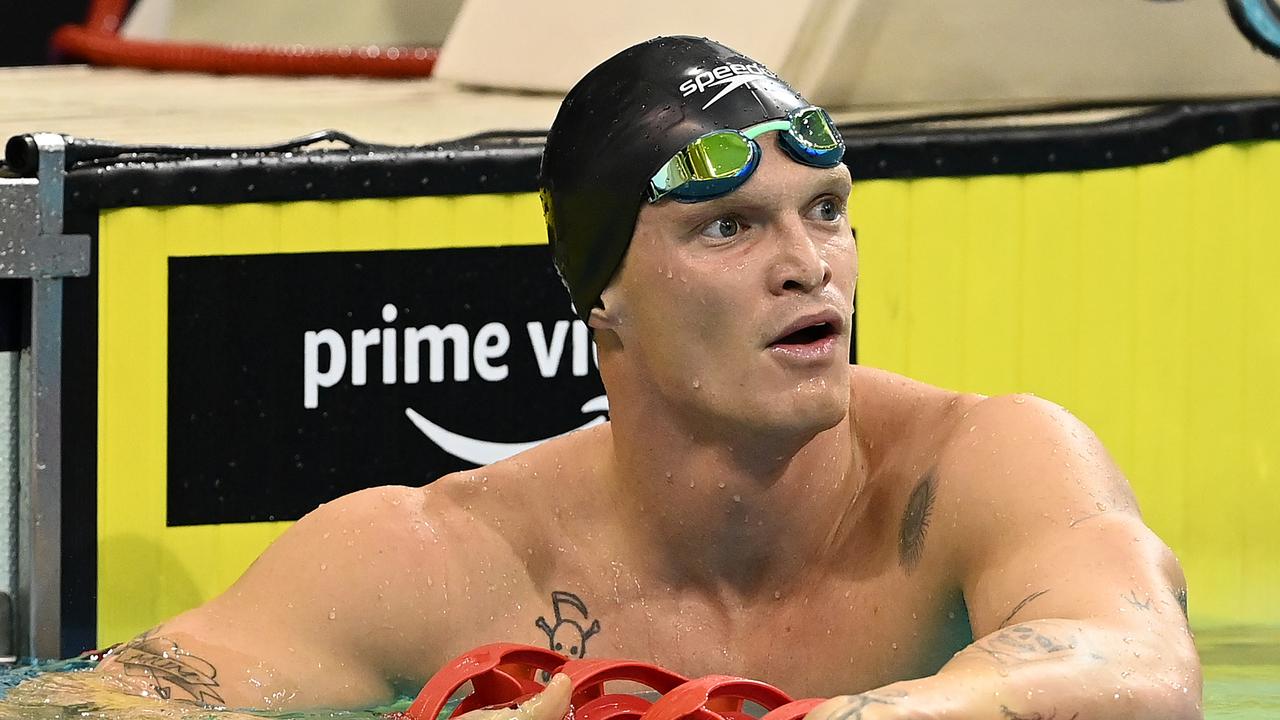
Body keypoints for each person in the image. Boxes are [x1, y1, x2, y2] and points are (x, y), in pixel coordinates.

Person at [91, 36, 1201, 719]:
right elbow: (72, 703)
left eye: (825, 211)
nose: (809, 265)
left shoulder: (981, 467)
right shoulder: (439, 564)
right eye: (727, 228)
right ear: (600, 294)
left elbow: (1138, 670)